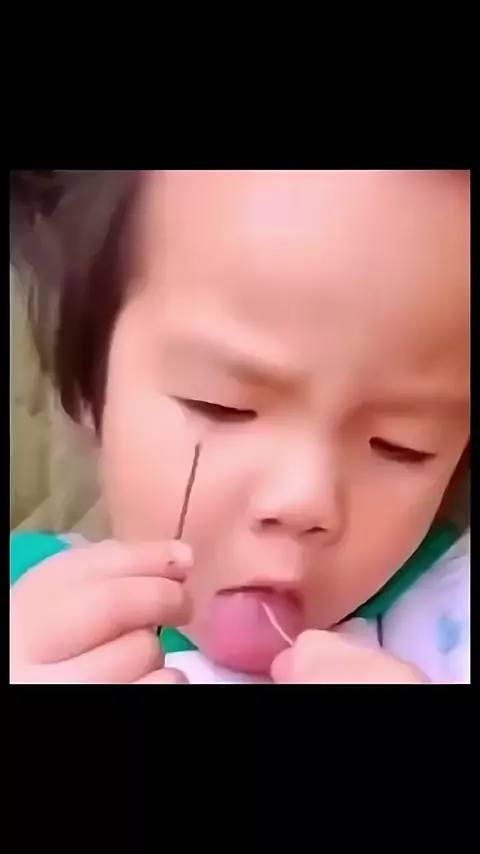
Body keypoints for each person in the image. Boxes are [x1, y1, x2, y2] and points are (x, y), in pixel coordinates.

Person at [9, 170, 470, 684]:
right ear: (91, 390)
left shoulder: (449, 615)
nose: (304, 500)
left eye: (401, 446)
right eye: (220, 407)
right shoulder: (23, 620)